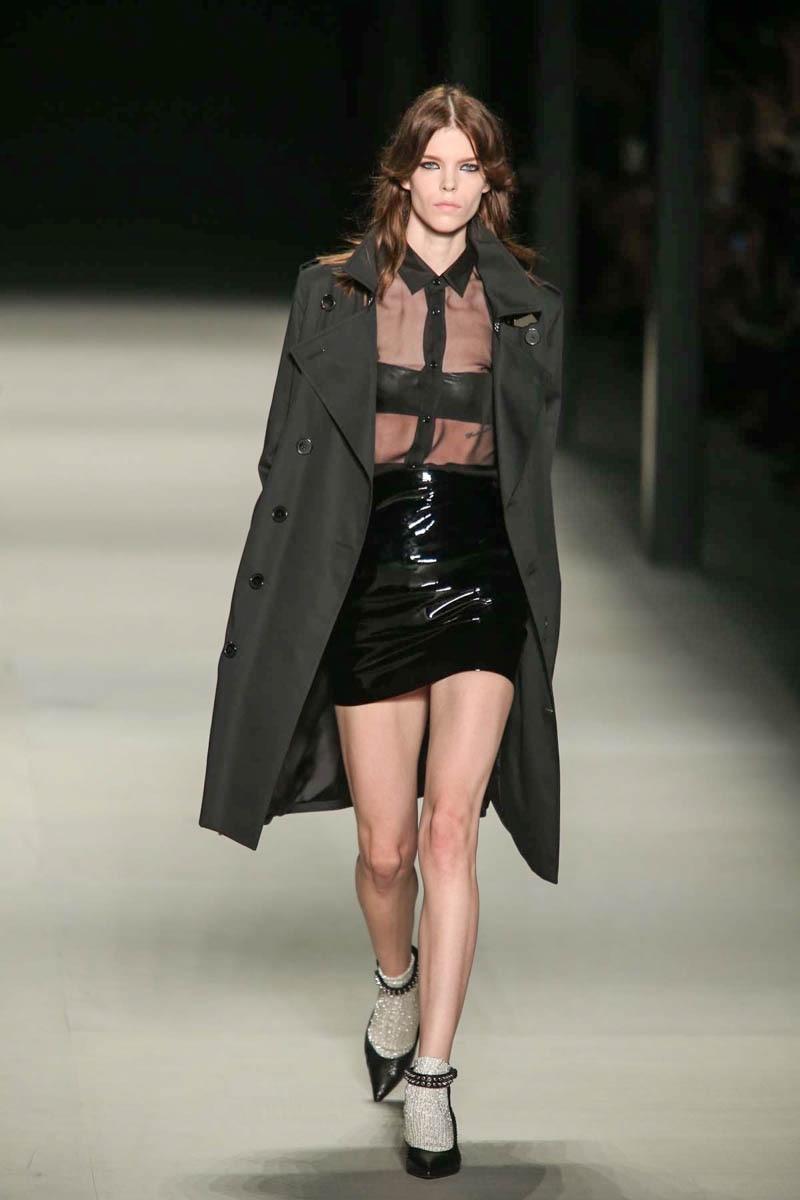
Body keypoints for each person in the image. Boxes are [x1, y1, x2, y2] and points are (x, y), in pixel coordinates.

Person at [198, 84, 564, 1180]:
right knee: (386, 847)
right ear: (400, 175)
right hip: (367, 570)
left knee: (451, 832)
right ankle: (394, 982)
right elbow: (284, 450)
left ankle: (435, 1078)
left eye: (469, 168)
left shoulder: (529, 308)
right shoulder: (328, 294)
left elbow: (528, 467)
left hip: (481, 573)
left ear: (489, 185)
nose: (450, 186)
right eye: (432, 164)